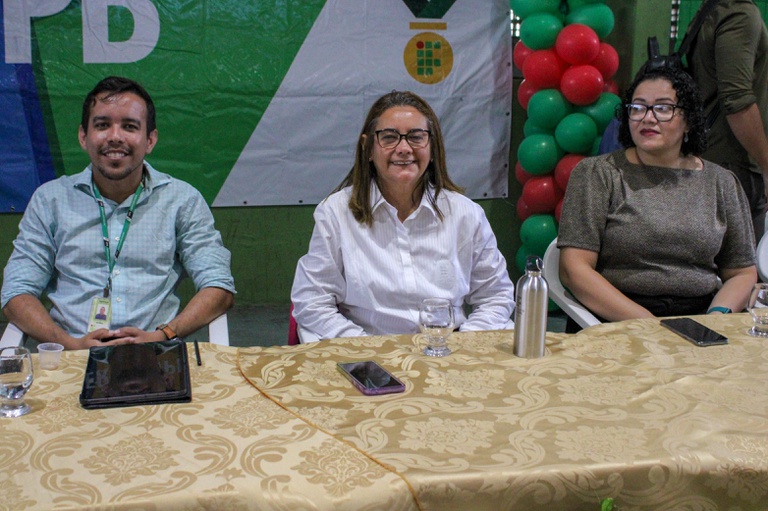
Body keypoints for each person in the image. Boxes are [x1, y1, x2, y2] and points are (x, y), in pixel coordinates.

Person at [1, 76, 235, 350]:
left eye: (129, 126)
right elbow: (17, 292)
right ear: (83, 136)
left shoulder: (182, 200)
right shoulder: (50, 200)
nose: (115, 137)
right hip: (72, 356)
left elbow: (218, 287)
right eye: (102, 125)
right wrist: (70, 344)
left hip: (156, 353)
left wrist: (163, 335)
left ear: (150, 140)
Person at [291, 90, 514, 340]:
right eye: (389, 138)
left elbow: (496, 296)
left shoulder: (466, 214)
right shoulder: (335, 212)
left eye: (416, 137)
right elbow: (312, 301)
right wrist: (366, 347)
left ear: (433, 148)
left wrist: (465, 342)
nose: (404, 149)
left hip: (447, 348)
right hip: (368, 349)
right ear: (368, 148)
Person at [557, 64, 756, 325]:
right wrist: (652, 326)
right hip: (614, 317)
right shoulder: (598, 174)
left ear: (688, 121)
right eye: (638, 108)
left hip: (699, 317)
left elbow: (742, 272)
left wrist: (716, 317)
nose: (647, 118)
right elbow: (573, 270)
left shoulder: (721, 182)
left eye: (663, 108)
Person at [686, 0, 768, 239]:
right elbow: (737, 101)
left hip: (714, 160)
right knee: (741, 259)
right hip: (734, 164)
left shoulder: (714, 8)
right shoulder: (739, 12)